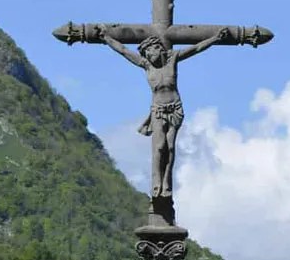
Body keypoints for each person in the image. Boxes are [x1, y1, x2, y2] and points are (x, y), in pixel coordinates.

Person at [98, 27, 229, 202]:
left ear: (158, 48)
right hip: (158, 109)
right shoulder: (146, 65)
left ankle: (166, 181)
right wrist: (106, 38)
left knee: (171, 147)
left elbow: (196, 48)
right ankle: (157, 183)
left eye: (150, 51)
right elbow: (123, 51)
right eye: (145, 53)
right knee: (159, 147)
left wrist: (215, 38)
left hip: (175, 108)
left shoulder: (172, 58)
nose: (149, 56)